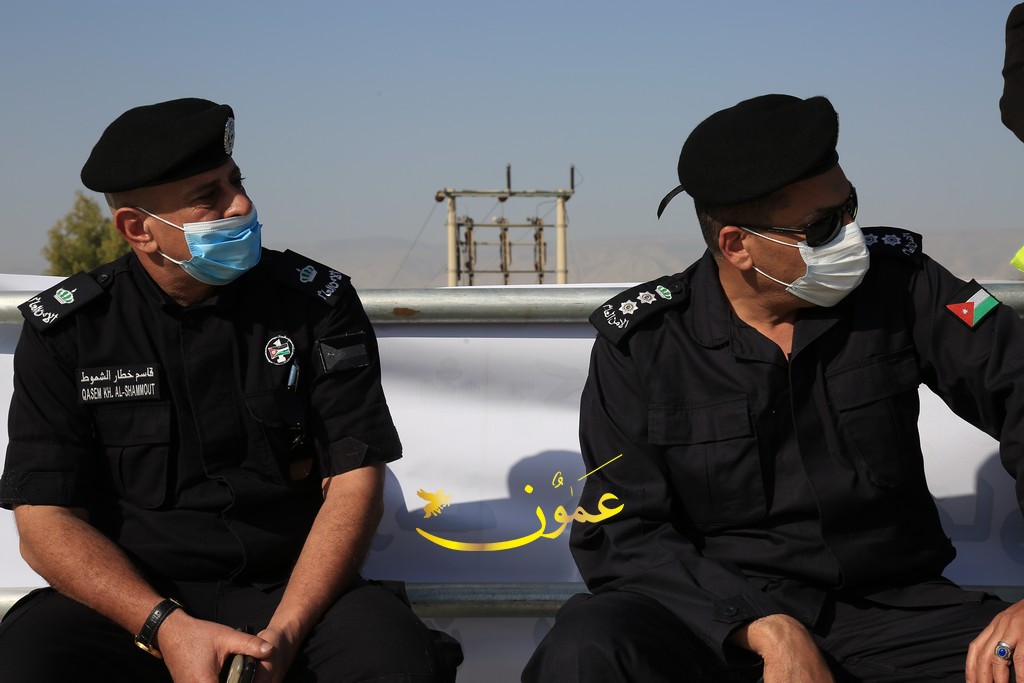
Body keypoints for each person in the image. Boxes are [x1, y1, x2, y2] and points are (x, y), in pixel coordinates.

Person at [522, 94, 1024, 682]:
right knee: (587, 645)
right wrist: (765, 628)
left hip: (894, 612)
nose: (851, 235)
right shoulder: (645, 344)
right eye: (822, 227)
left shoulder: (903, 286)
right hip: (715, 621)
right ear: (738, 245)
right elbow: (622, 532)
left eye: (850, 207)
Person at [0, 98, 461, 682]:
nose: (240, 203)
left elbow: (354, 480)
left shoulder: (315, 305)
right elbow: (45, 521)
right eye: (207, 196)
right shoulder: (71, 331)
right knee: (31, 658)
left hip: (292, 595)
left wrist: (284, 633)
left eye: (235, 182)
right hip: (137, 603)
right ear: (138, 229)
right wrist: (165, 627)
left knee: (393, 657)